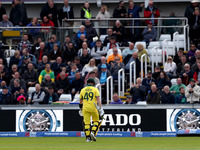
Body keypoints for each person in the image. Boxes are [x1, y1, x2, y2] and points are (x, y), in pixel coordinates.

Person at [79, 78, 104, 142]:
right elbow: (98, 99)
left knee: (87, 123)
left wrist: (81, 108)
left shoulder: (83, 90)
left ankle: (88, 138)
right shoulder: (95, 89)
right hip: (93, 107)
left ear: (87, 83)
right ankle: (93, 132)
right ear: (93, 83)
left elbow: (80, 101)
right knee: (96, 121)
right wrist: (101, 108)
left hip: (85, 108)